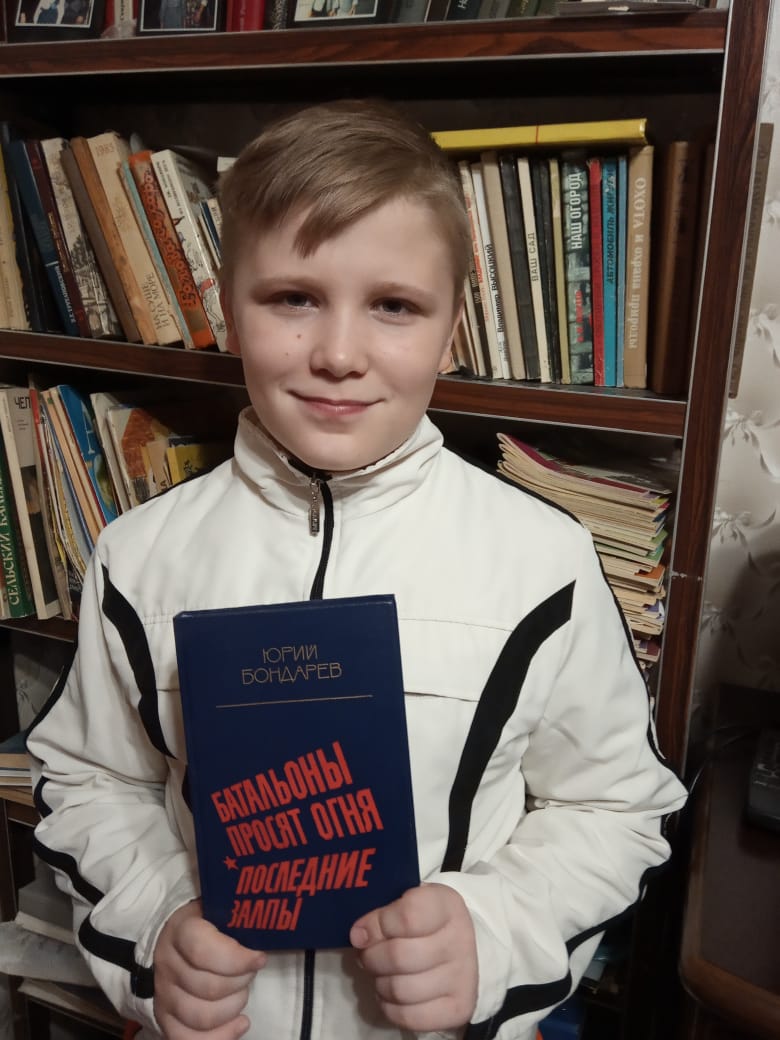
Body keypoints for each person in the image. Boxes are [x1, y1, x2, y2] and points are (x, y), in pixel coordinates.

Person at [27, 99, 687, 1040]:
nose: (338, 355)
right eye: (293, 298)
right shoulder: (138, 555)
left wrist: (493, 934)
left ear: (452, 329)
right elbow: (94, 781)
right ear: (229, 311)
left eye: (394, 306)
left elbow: (615, 803)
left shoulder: (543, 558)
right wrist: (157, 925)